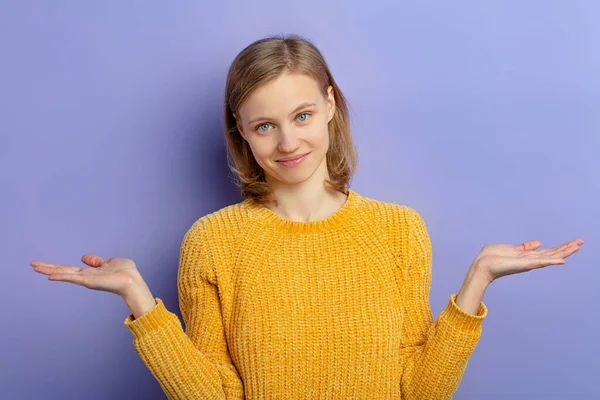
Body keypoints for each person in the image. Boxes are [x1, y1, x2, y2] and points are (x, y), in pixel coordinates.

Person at [29, 34, 584, 400]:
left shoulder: (399, 230)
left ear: (331, 105)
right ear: (240, 130)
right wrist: (139, 299)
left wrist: (478, 278)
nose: (288, 141)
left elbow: (418, 389)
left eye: (302, 115)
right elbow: (214, 394)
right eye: (265, 124)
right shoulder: (213, 241)